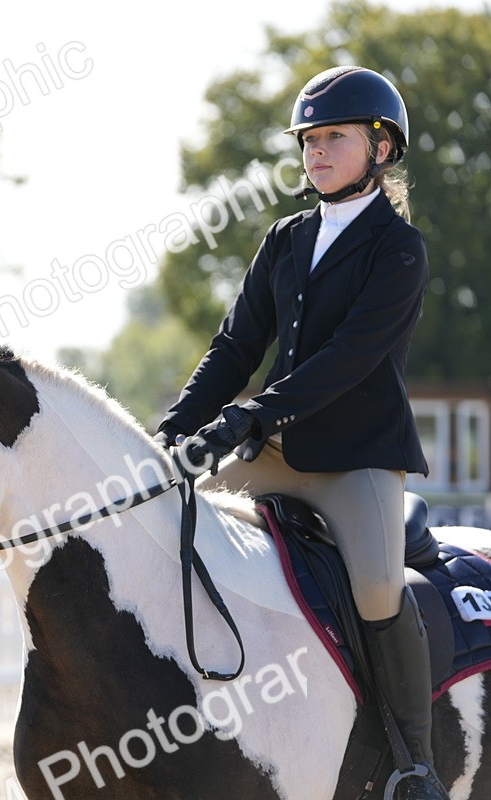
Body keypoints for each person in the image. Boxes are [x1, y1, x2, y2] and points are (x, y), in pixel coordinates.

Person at [155, 66, 447, 800]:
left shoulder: (399, 248)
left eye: (333, 138)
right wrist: (172, 433)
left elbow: (349, 359)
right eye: (309, 140)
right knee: (168, 524)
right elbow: (233, 348)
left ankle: (414, 761)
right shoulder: (285, 238)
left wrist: (252, 415)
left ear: (381, 149)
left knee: (379, 587)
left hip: (357, 460)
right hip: (274, 455)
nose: (315, 152)